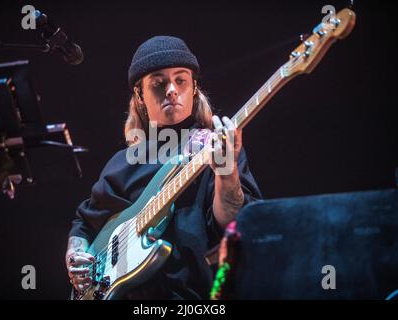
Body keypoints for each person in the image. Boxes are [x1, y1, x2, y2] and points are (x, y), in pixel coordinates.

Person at [65, 35, 262, 299]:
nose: (171, 89)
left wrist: (226, 174)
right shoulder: (122, 163)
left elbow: (236, 226)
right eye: (158, 83)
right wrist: (75, 255)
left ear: (193, 88)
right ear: (140, 95)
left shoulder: (216, 146)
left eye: (181, 80)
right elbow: (84, 223)